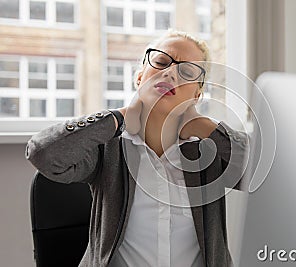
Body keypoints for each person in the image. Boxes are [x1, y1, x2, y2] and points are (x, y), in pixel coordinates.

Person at [26, 30, 249, 267]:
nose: (171, 73)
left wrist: (205, 127)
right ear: (140, 77)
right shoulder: (108, 148)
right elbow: (44, 153)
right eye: (162, 62)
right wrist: (118, 117)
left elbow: (266, 177)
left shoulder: (210, 153)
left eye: (187, 72)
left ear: (197, 95)